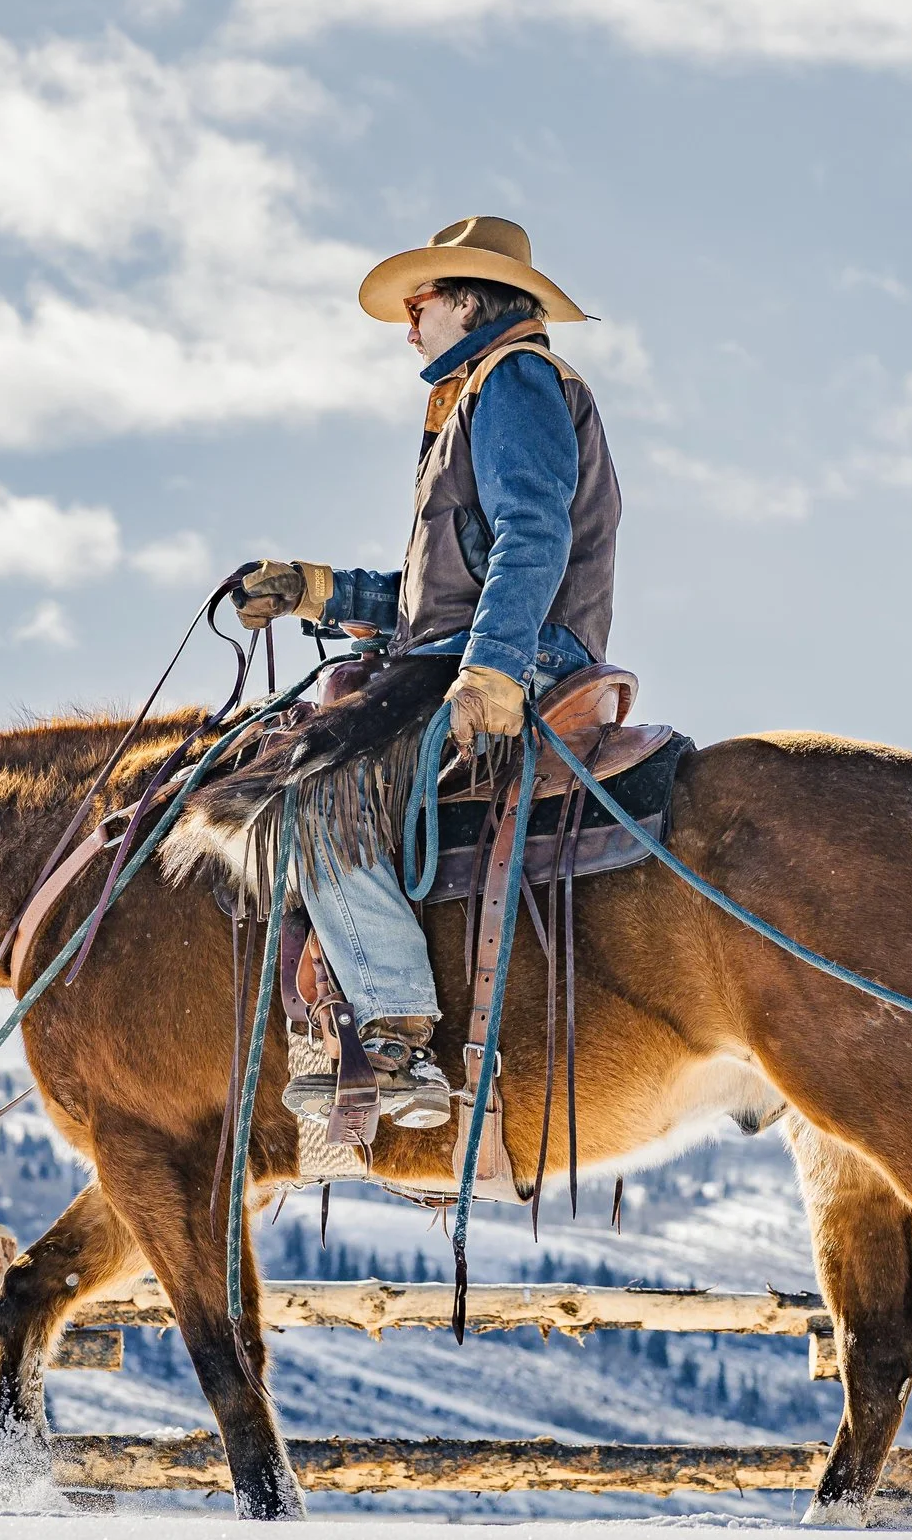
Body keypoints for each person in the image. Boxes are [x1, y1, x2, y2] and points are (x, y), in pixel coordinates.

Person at [233, 216, 622, 1129]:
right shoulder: (475, 396)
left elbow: (535, 532)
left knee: (306, 796)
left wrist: (491, 670)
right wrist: (314, 590)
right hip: (465, 646)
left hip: (512, 654)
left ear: (472, 300)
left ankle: (396, 1029)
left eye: (422, 304)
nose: (410, 327)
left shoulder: (514, 379)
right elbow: (430, 591)